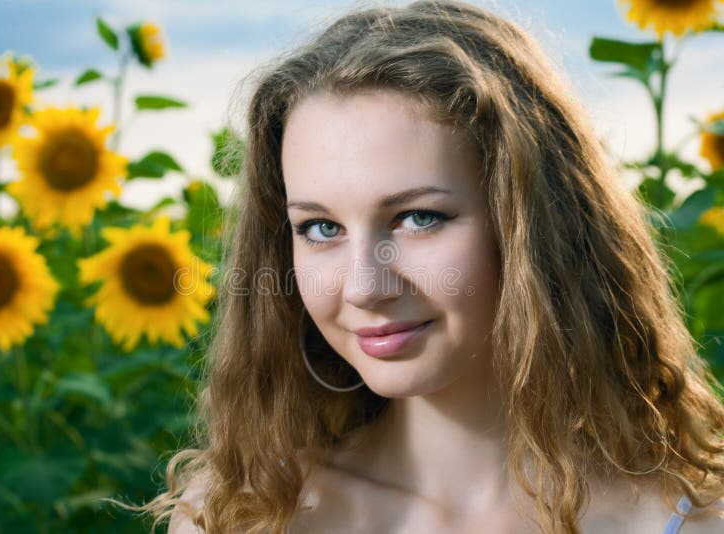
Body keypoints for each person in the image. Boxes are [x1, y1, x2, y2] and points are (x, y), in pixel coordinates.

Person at [140, 1, 724, 532]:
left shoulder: (696, 518)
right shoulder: (236, 519)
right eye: (321, 228)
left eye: (418, 218)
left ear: (535, 226)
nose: (365, 287)